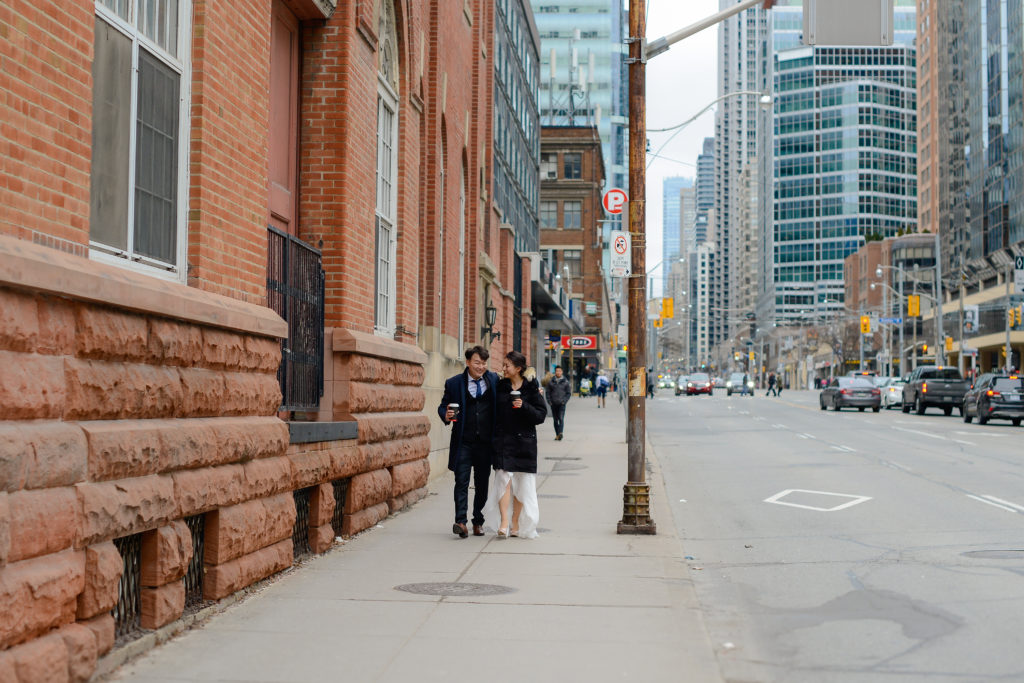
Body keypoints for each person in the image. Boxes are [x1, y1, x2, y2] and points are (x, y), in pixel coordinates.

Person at [482, 351, 546, 539]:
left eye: (507, 365)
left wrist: (523, 405)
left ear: (518, 368)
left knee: (521, 484)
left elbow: (541, 415)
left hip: (525, 443)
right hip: (503, 441)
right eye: (503, 364)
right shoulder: (500, 386)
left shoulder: (532, 389)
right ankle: (504, 522)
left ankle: (516, 522)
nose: (503, 368)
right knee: (503, 480)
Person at [438, 345, 499, 539]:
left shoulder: (494, 380)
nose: (481, 367)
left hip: (485, 443)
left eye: (484, 363)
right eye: (477, 363)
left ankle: (478, 521)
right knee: (461, 481)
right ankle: (460, 522)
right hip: (464, 441)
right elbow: (442, 406)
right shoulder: (454, 383)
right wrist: (446, 414)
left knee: (482, 484)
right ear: (468, 362)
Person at [546, 366, 571, 440]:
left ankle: (560, 433)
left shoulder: (566, 382)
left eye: (559, 371)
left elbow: (568, 393)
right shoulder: (551, 382)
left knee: (561, 418)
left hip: (562, 404)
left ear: (562, 372)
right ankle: (557, 435)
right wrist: (549, 402)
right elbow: (548, 393)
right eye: (557, 371)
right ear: (555, 372)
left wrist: (564, 401)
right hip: (553, 404)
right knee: (555, 420)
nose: (558, 372)